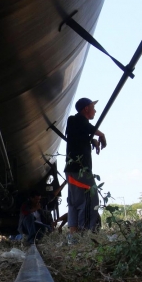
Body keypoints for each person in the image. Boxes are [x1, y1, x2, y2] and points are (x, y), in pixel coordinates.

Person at [64, 97, 107, 240]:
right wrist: (100, 134)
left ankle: (74, 235)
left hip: (74, 170)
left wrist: (92, 140)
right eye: (92, 107)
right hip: (79, 170)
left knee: (74, 201)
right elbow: (84, 125)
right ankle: (85, 234)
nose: (95, 110)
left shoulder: (78, 128)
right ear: (86, 109)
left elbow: (81, 135)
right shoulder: (75, 120)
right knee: (90, 199)